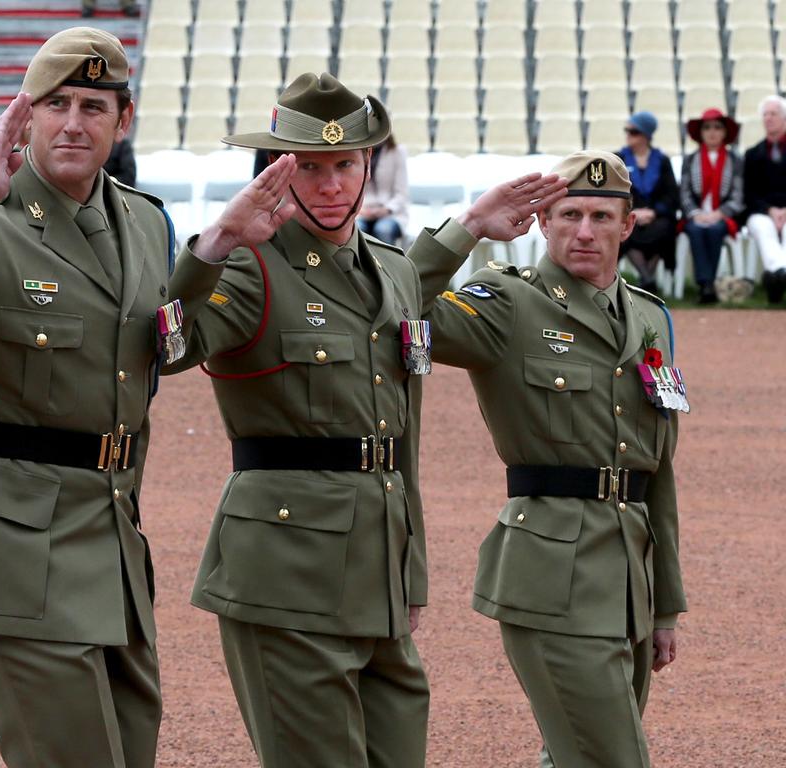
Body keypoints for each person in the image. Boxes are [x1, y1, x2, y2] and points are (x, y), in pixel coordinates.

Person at [0, 27, 242, 768]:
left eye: (94, 105)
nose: (73, 123)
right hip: (11, 546)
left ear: (124, 120)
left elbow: (163, 350)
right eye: (55, 103)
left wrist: (211, 255)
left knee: (129, 749)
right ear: (26, 117)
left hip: (112, 537)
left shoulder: (146, 222)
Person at [164, 72, 566, 767]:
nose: (331, 185)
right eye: (309, 168)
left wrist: (408, 576)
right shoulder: (248, 267)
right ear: (276, 170)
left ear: (369, 164)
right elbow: (168, 346)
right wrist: (216, 242)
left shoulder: (385, 267)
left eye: (345, 164)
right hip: (284, 581)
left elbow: (396, 435)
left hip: (377, 579)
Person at [408, 150, 688, 767]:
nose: (583, 231)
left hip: (627, 581)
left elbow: (656, 468)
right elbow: (395, 305)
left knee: (572, 756)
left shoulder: (648, 318)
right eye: (567, 215)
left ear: (628, 224)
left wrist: (663, 603)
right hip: (551, 572)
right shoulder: (507, 303)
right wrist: (469, 228)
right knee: (613, 758)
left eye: (599, 215)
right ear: (541, 222)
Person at [680, 108, 744, 304]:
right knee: (696, 230)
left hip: (722, 216)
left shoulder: (735, 160)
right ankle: (706, 285)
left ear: (725, 132)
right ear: (701, 132)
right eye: (707, 127)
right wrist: (696, 213)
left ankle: (707, 285)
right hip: (696, 215)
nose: (712, 132)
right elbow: (684, 193)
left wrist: (720, 213)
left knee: (715, 230)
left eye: (717, 127)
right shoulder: (690, 159)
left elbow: (738, 195)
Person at [617, 111, 679, 294]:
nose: (628, 135)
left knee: (666, 228)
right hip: (629, 214)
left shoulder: (662, 161)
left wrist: (654, 212)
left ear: (646, 135)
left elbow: (672, 195)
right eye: (627, 131)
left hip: (656, 216)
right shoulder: (618, 159)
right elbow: (613, 192)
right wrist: (633, 211)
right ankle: (648, 279)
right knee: (624, 227)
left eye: (633, 132)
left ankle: (645, 279)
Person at [742, 94, 786, 303]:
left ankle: (776, 277)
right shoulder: (752, 154)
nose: (769, 118)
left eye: (774, 114)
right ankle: (780, 272)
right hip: (761, 212)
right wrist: (770, 210)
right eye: (765, 114)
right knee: (763, 228)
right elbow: (749, 194)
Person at [357, 131, 409, 245]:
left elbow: (401, 194)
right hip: (364, 212)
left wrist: (385, 210)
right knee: (356, 229)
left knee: (383, 229)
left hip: (391, 213)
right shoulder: (357, 151)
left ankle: (386, 263)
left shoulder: (397, 151)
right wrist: (361, 210)